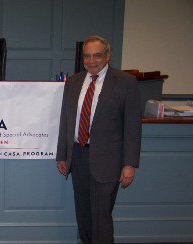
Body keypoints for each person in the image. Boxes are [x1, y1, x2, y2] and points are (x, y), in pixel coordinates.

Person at [56, 35, 141, 244]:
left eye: (97, 55)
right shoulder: (74, 82)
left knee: (101, 217)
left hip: (108, 161)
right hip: (78, 156)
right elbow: (66, 121)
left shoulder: (125, 82)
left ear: (108, 55)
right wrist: (62, 155)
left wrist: (129, 164)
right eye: (87, 56)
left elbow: (132, 128)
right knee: (83, 214)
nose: (91, 60)